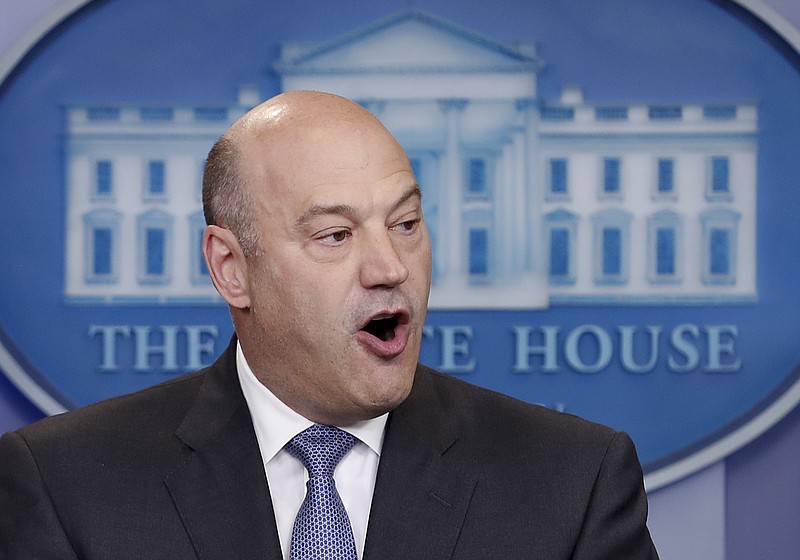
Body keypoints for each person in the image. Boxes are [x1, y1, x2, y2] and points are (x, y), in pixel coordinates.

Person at [0, 90, 659, 559]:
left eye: (405, 225)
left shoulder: (574, 483)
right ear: (232, 269)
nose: (389, 266)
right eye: (336, 235)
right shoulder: (65, 486)